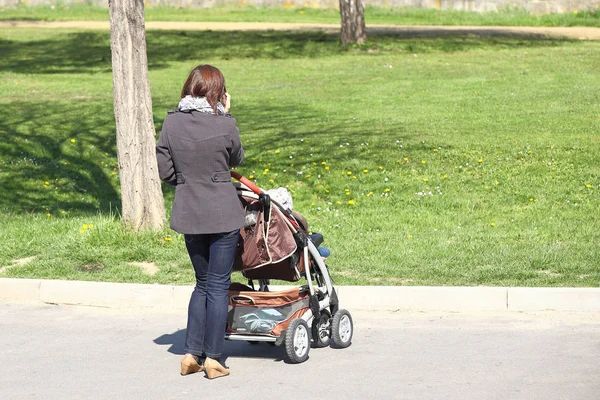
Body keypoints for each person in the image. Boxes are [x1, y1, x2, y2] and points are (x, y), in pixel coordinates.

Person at [156, 64, 244, 379]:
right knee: (218, 285)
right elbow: (237, 158)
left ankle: (191, 355)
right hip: (222, 213)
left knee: (202, 283)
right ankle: (215, 359)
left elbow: (166, 172)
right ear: (218, 93)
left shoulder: (171, 123)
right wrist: (226, 113)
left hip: (190, 213)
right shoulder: (225, 124)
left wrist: (188, 179)